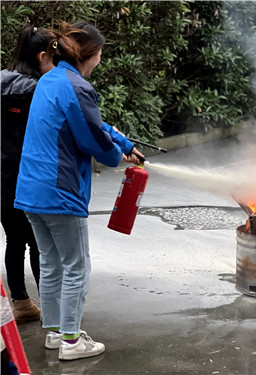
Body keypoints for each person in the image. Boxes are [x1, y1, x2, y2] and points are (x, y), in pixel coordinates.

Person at [14, 21, 144, 361]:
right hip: (59, 190)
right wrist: (117, 154)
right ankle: (72, 341)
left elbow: (93, 125)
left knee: (53, 262)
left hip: (31, 190)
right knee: (76, 265)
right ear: (93, 55)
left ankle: (56, 333)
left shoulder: (50, 80)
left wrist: (124, 143)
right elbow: (92, 138)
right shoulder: (77, 87)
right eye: (101, 52)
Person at [1, 26, 56, 325]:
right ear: (42, 55)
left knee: (14, 240)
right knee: (39, 243)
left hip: (2, 178)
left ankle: (21, 302)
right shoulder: (37, 89)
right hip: (30, 177)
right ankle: (52, 309)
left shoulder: (1, 80)